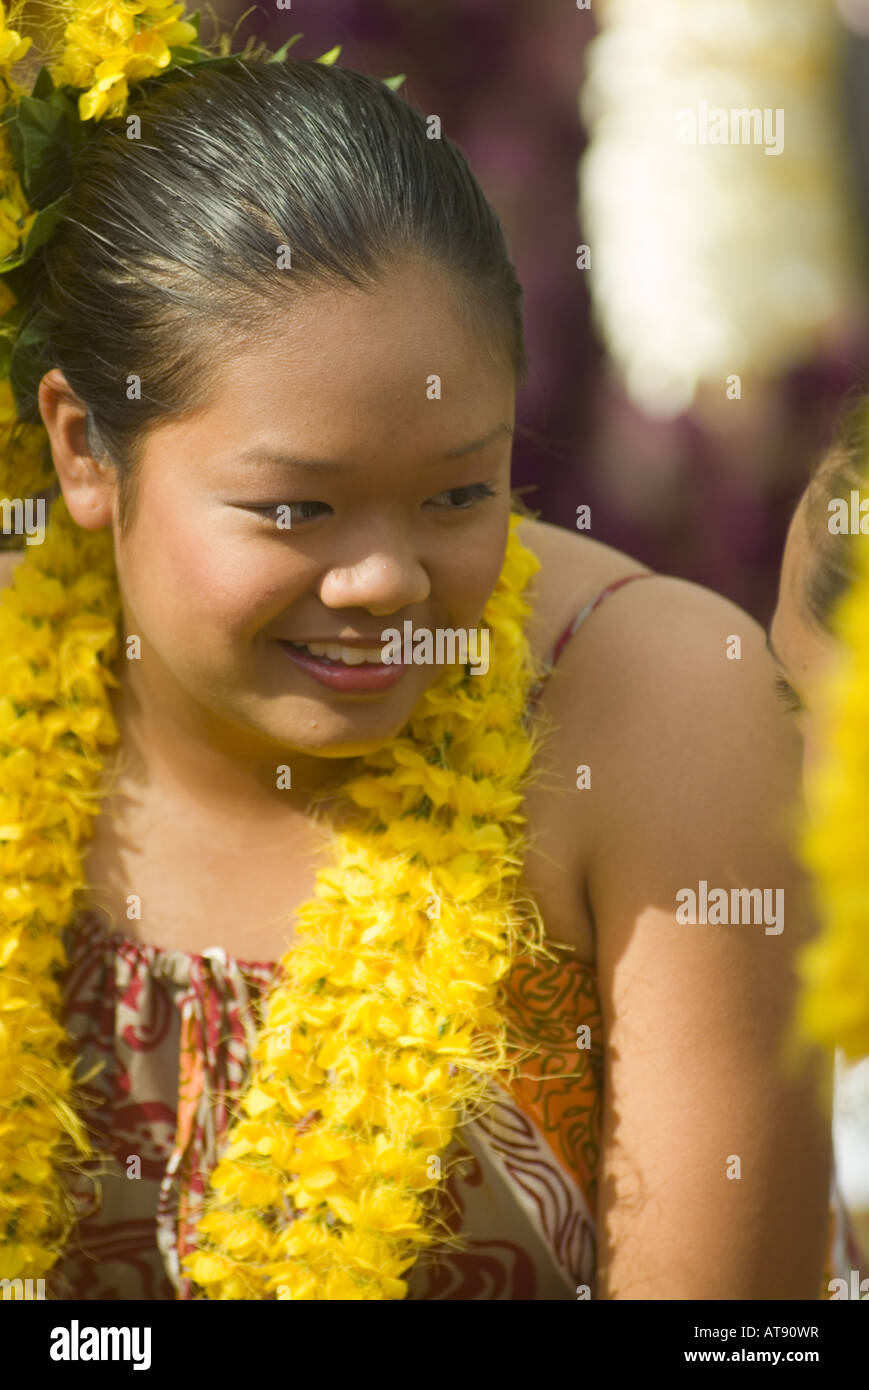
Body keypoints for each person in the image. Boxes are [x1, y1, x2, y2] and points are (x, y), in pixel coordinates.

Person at [0, 32, 839, 1300]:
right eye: (296, 510)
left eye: (459, 490)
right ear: (83, 449)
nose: (385, 581)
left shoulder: (663, 703)